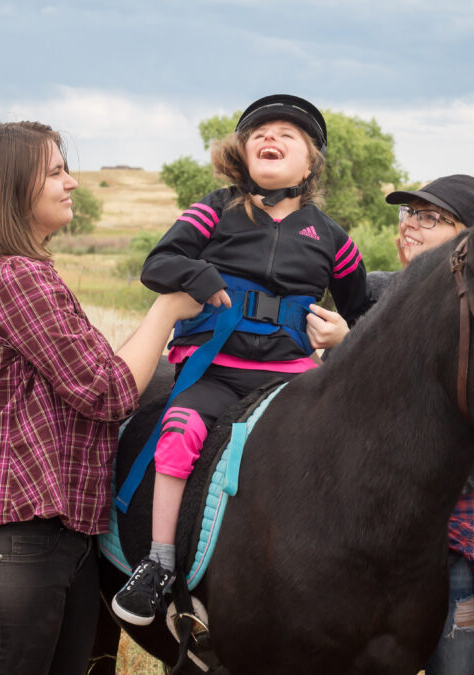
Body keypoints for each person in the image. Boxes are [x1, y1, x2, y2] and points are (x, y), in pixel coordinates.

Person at [0, 121, 202, 673]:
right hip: (9, 531)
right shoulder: (12, 275)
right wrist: (167, 309)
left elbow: (99, 374)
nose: (72, 182)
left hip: (51, 534)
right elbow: (106, 389)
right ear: (12, 186)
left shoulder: (23, 272)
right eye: (55, 171)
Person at [111, 94, 371, 627]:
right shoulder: (215, 208)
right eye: (259, 134)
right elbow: (157, 264)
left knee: (333, 452)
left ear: (311, 162)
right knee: (178, 431)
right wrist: (196, 276)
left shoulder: (333, 239)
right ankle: (158, 564)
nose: (270, 139)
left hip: (290, 379)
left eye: (287, 135)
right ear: (243, 154)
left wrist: (346, 334)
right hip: (214, 369)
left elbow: (364, 316)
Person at [306, 174, 474, 675]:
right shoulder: (374, 292)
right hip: (367, 534)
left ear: (470, 237)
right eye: (408, 214)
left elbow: (429, 409)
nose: (410, 225)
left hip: (449, 530)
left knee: (457, 667)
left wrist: (349, 346)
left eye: (430, 217)